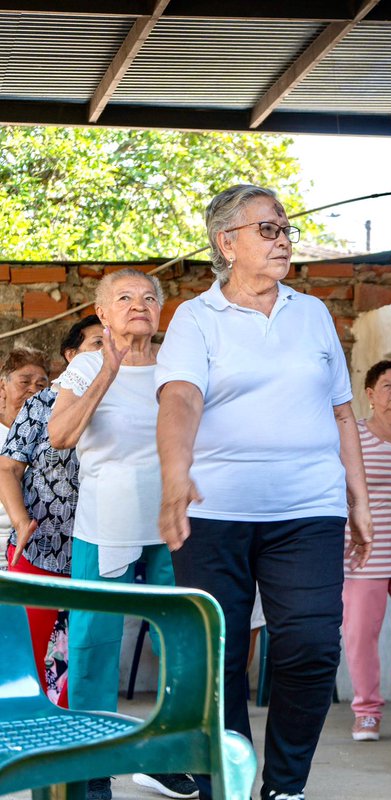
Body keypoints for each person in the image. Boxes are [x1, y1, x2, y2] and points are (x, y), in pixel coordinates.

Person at [156, 184, 373, 800]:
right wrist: (176, 474)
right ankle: (229, 775)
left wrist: (358, 499)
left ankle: (284, 786)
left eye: (284, 229)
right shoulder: (196, 319)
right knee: (217, 658)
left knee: (309, 646)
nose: (284, 240)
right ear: (227, 243)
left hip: (309, 509)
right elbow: (180, 398)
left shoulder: (313, 313)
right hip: (215, 512)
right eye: (268, 230)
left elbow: (340, 411)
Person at [48, 271, 196, 800]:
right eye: (125, 298)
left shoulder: (178, 365)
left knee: (181, 644)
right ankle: (91, 770)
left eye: (150, 297)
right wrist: (108, 372)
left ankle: (167, 758)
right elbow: (60, 437)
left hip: (172, 523)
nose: (140, 305)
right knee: (93, 645)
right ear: (102, 311)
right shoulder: (87, 365)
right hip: (104, 524)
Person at [0, 316, 103, 707]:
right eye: (97, 344)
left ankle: (73, 746)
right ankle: (24, 744)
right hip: (40, 546)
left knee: (83, 655)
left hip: (98, 551)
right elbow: (7, 466)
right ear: (71, 355)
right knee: (26, 654)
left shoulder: (125, 403)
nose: (108, 352)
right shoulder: (41, 405)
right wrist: (22, 520)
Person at [343, 357, 391, 742]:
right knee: (360, 633)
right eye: (387, 386)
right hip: (365, 553)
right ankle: (367, 710)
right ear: (370, 395)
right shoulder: (353, 435)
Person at [0, 348, 51, 541]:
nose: (33, 390)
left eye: (41, 384)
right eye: (24, 382)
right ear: (2, 387)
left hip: (37, 545)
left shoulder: (54, 438)